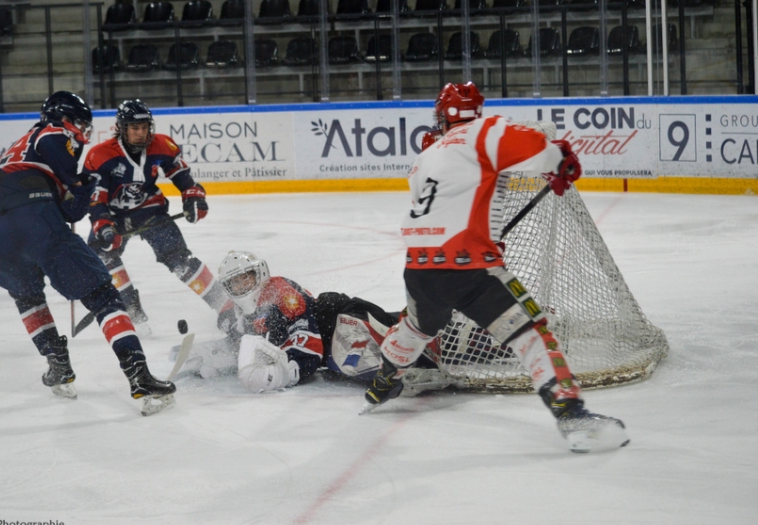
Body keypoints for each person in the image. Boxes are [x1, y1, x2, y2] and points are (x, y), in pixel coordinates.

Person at [362, 82, 629, 453]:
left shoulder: (426, 156)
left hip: (420, 269)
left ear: (441, 118)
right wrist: (560, 161)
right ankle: (572, 415)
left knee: (416, 327)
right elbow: (537, 146)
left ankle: (383, 383)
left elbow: (447, 202)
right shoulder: (485, 130)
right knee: (532, 332)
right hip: (472, 271)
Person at [0, 91, 175, 415]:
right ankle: (139, 376)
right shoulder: (51, 132)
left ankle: (58, 367)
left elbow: (70, 210)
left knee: (27, 296)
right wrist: (83, 182)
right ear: (65, 118)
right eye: (80, 125)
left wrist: (80, 189)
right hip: (32, 216)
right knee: (103, 295)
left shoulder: (16, 149)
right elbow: (71, 197)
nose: (82, 134)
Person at [177, 250, 446, 394]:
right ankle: (425, 350)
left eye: (245, 277)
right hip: (331, 348)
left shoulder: (279, 292)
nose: (242, 286)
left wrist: (291, 369)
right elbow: (240, 344)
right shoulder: (241, 315)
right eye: (234, 283)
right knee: (348, 363)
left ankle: (436, 341)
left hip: (343, 318)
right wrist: (208, 355)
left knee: (359, 356)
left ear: (260, 273)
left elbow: (309, 345)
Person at [83, 99, 227, 335]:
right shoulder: (100, 155)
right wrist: (103, 225)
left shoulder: (162, 144)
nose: (141, 133)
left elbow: (181, 174)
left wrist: (192, 196)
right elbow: (95, 198)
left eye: (144, 127)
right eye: (134, 128)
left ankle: (225, 305)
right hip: (113, 215)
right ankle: (132, 312)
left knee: (179, 258)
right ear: (121, 128)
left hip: (150, 210)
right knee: (100, 256)